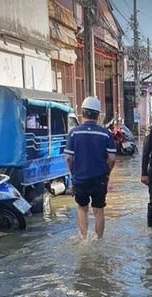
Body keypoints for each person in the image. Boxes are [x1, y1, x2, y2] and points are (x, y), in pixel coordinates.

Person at [64, 96, 117, 239]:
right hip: (99, 179)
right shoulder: (105, 133)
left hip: (80, 179)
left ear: (82, 112)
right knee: (99, 210)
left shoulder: (74, 133)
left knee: (82, 208)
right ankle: (98, 240)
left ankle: (83, 238)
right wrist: (107, 173)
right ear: (98, 114)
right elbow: (112, 158)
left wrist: (73, 173)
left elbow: (69, 158)